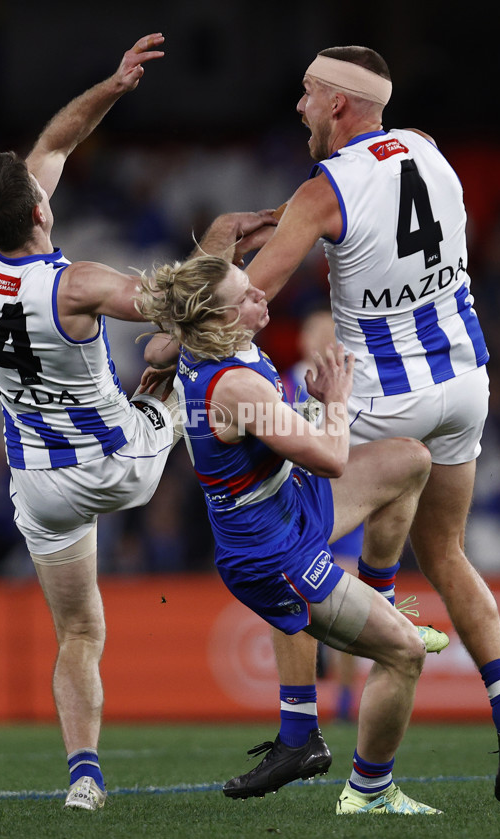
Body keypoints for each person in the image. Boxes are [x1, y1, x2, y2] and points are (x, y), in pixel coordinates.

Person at [197, 46, 500, 805]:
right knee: (445, 551)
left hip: (380, 395)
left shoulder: (325, 189)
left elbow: (240, 300)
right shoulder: (429, 149)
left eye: (309, 95)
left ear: (340, 107)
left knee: (282, 537)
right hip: (462, 381)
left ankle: (299, 732)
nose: (299, 107)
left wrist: (198, 282)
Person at [0, 33, 274, 812]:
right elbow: (182, 299)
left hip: (38, 484)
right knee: (190, 347)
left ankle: (84, 781)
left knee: (78, 630)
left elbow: (55, 140)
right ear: (40, 209)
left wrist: (113, 86)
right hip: (122, 461)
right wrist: (223, 243)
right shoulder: (80, 283)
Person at [139, 253, 443, 815]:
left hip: (285, 504)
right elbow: (329, 457)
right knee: (403, 654)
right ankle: (370, 791)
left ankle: (374, 613)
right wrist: (333, 401)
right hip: (272, 551)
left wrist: (165, 353)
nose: (260, 296)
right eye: (245, 296)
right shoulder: (237, 390)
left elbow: (160, 345)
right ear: (221, 321)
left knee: (410, 461)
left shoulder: (196, 342)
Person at [282, 303, 364, 721]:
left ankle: (347, 699)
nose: (321, 341)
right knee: (298, 604)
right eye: (314, 333)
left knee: (348, 604)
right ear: (302, 340)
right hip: (294, 507)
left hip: (338, 500)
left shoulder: (350, 385)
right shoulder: (275, 386)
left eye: (328, 334)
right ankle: (302, 700)